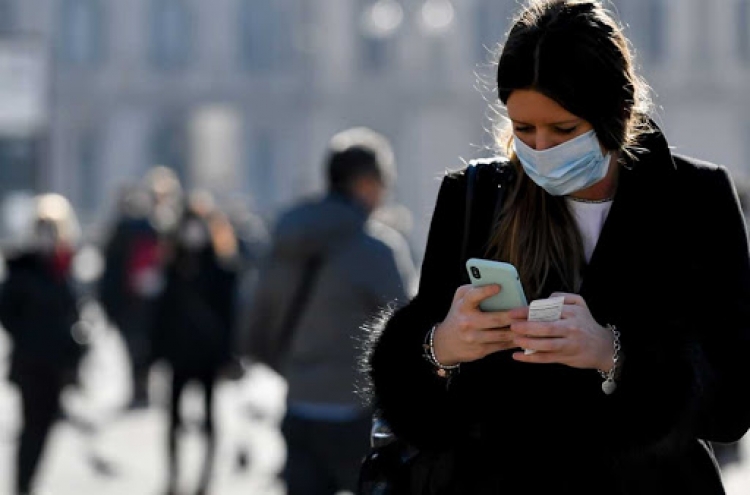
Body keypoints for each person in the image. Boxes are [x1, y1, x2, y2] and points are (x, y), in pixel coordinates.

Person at [362, 1, 750, 494]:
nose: (541, 149)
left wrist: (615, 356)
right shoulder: (473, 196)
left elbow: (732, 406)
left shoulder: (697, 198)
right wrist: (441, 346)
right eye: (523, 130)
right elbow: (417, 407)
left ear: (617, 115)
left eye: (564, 130)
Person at [245, 126, 417, 495]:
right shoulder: (375, 250)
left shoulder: (287, 235)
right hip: (354, 412)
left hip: (298, 402)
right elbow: (406, 331)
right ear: (367, 184)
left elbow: (258, 312)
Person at [151, 190, 241, 495]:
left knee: (210, 417)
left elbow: (230, 316)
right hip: (178, 354)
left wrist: (229, 355)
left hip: (208, 354)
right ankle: (174, 474)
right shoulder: (172, 269)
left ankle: (206, 476)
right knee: (173, 418)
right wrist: (153, 353)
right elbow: (160, 315)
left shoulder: (221, 270)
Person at [0, 194, 88, 495]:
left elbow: (74, 310)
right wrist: (28, 334)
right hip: (30, 361)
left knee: (47, 424)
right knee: (31, 426)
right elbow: (7, 311)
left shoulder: (65, 267)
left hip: (58, 361)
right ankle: (22, 484)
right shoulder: (22, 267)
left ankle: (29, 481)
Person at [97, 166, 183, 409]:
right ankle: (140, 388)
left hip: (155, 303)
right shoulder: (134, 228)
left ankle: (144, 389)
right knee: (138, 348)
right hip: (134, 302)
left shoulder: (172, 226)